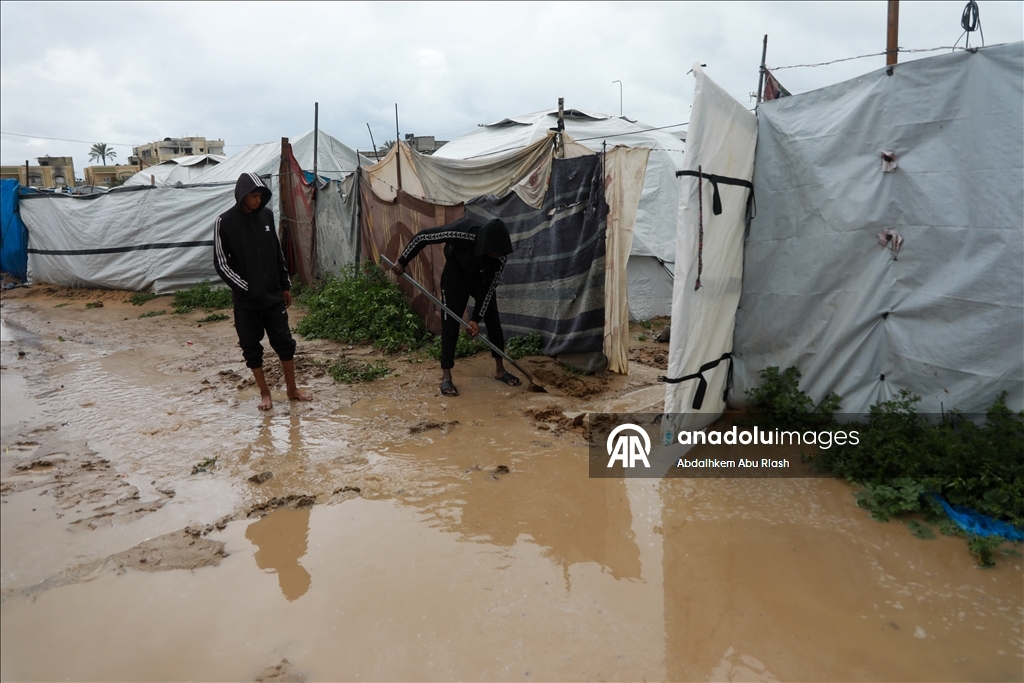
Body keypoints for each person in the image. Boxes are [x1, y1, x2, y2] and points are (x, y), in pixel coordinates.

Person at [213, 172, 312, 410]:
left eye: (261, 196)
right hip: (246, 302)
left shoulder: (267, 216)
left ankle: (292, 389)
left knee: (285, 344)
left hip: (273, 298)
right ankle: (265, 393)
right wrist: (246, 288)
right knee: (251, 348)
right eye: (254, 196)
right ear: (242, 196)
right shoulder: (224, 222)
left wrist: (285, 285)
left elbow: (277, 254)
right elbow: (221, 263)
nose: (258, 200)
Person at [391, 217, 519, 397]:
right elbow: (423, 237)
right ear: (485, 245)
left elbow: (489, 289)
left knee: (493, 318)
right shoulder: (462, 232)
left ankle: (500, 370)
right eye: (494, 253)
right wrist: (403, 260)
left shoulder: (500, 258)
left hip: (481, 278)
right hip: (455, 276)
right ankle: (446, 376)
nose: (498, 255)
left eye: (500, 253)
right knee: (450, 325)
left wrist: (475, 319)